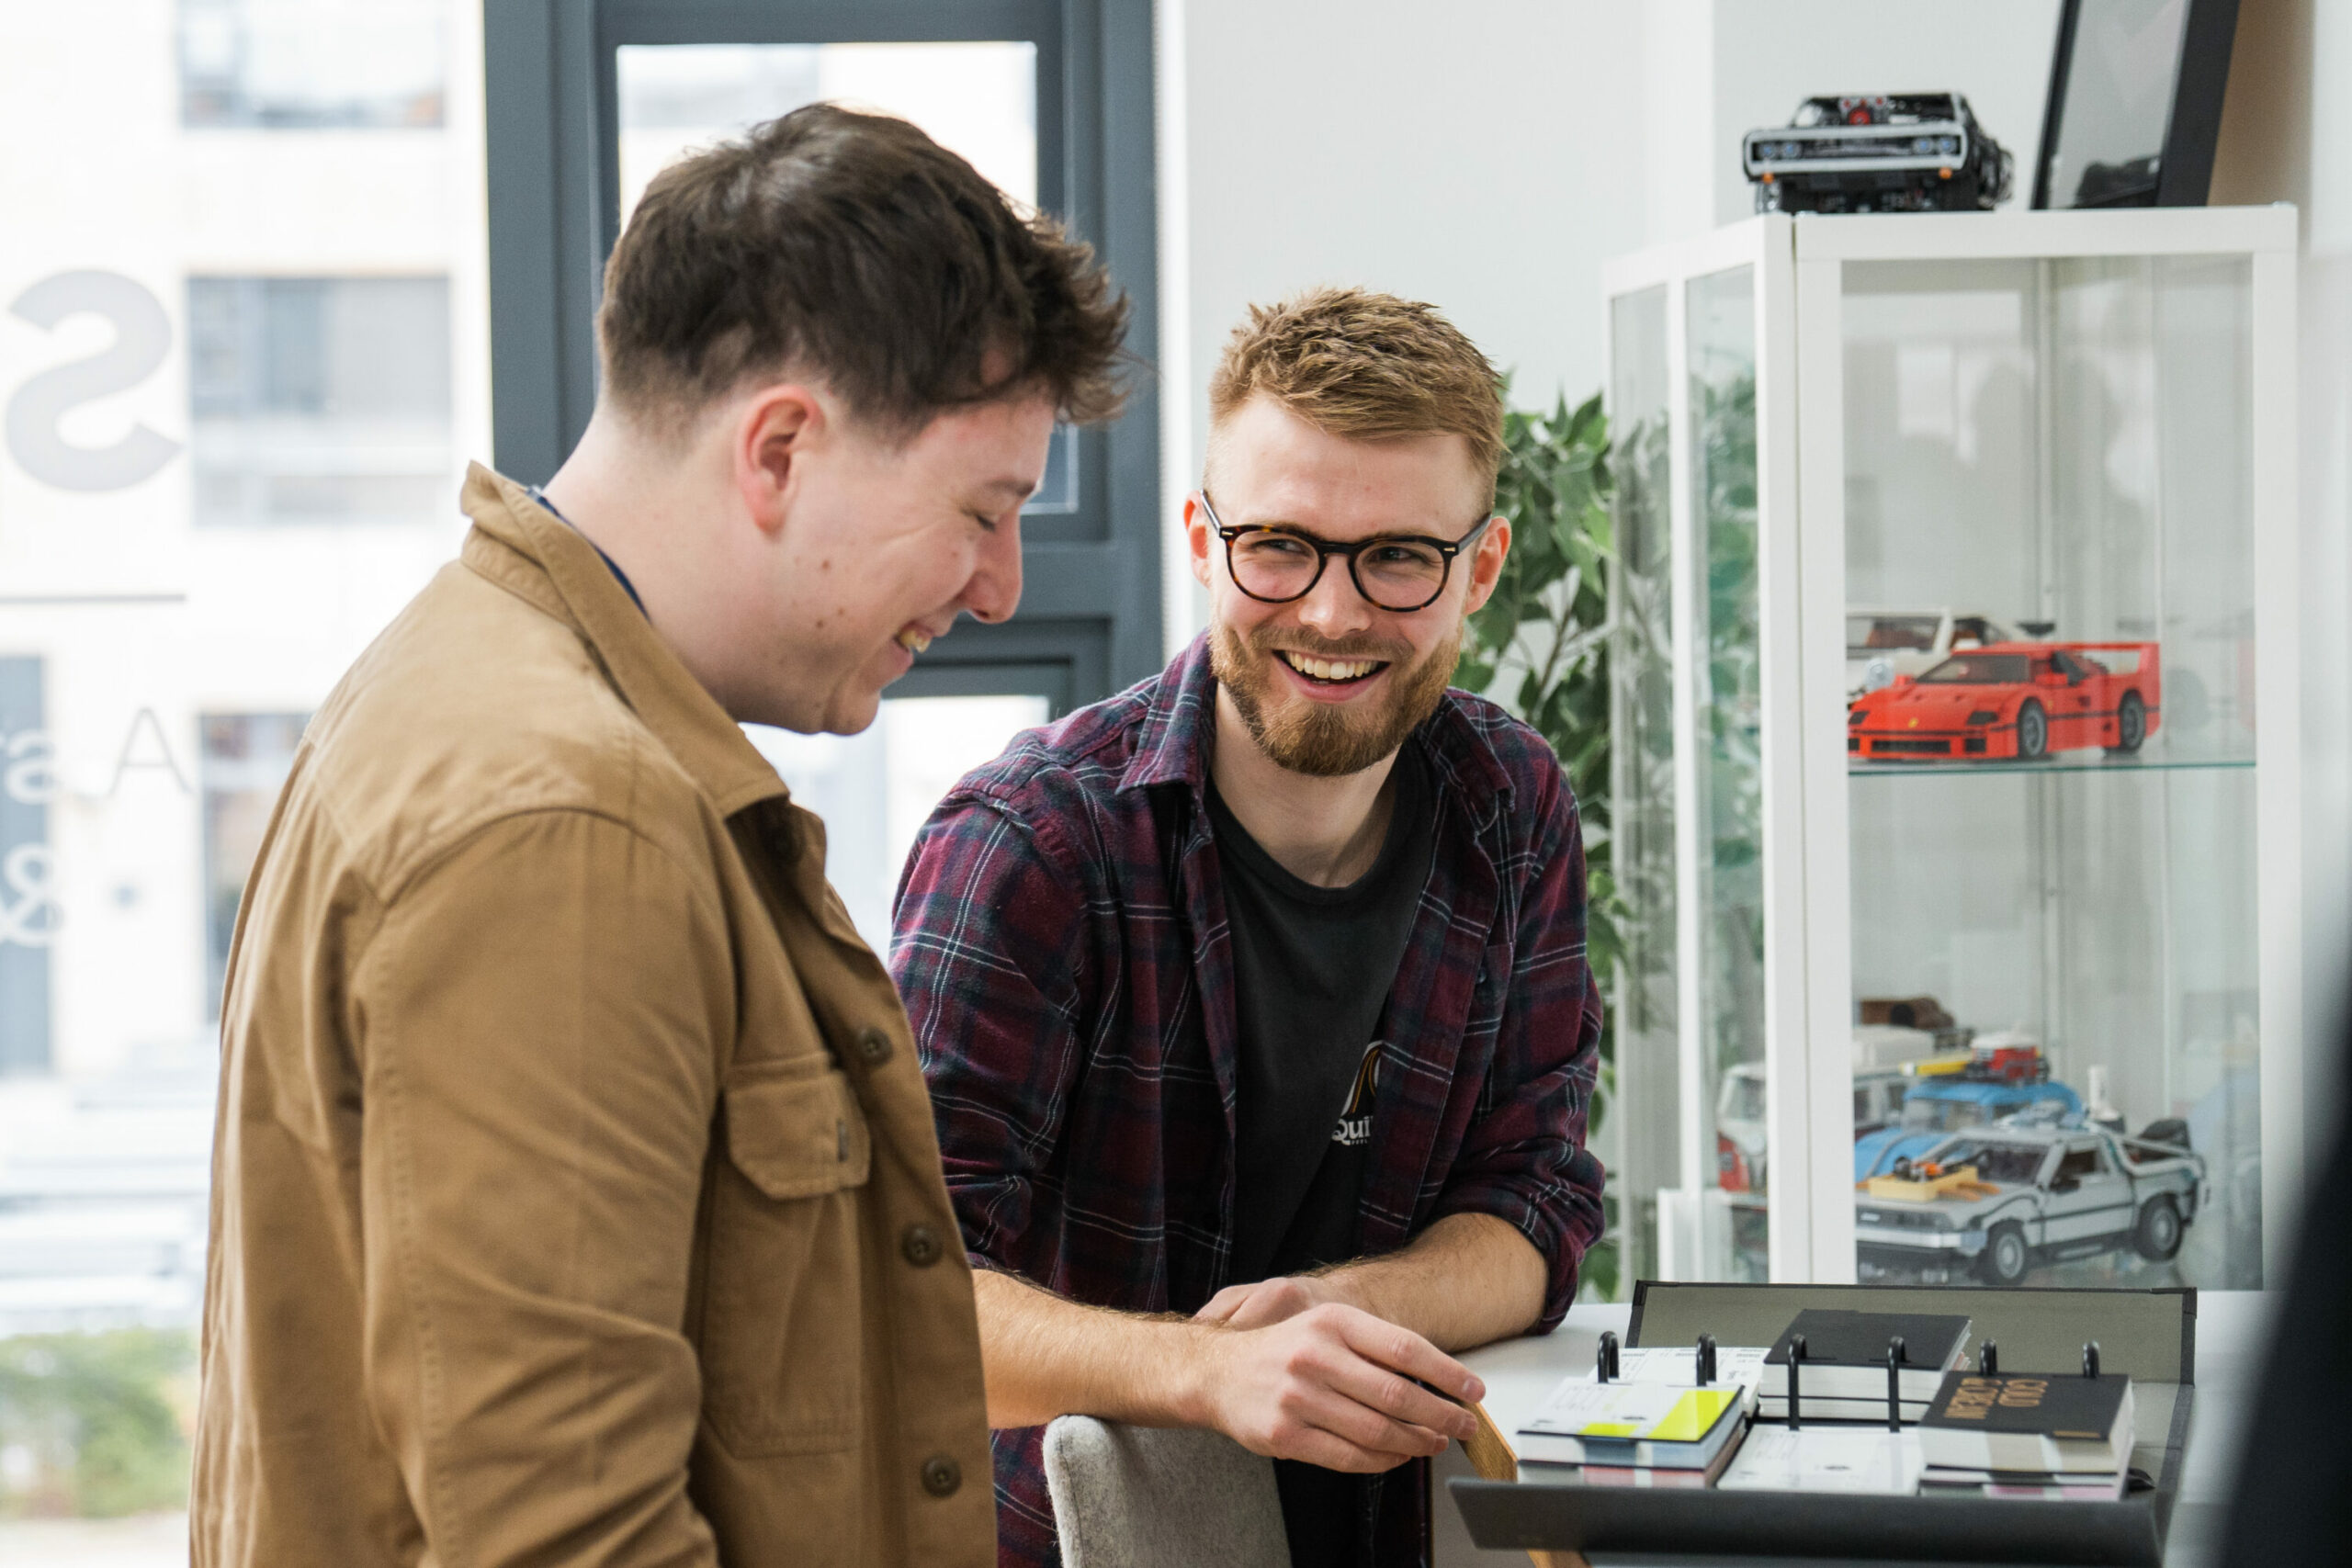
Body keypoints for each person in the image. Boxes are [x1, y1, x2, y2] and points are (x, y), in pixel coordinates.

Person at [192, 105, 1128, 1568]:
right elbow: (568, 1535)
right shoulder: (567, 819)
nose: (1000, 587)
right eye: (982, 508)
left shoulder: (479, 692)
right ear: (780, 450)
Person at [893, 288, 1607, 1568]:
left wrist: (1335, 1310)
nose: (1332, 615)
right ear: (1202, 541)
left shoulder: (1509, 803)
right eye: (1280, 545)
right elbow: (892, 1313)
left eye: (1399, 557)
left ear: (1481, 570)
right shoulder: (1030, 846)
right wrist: (1210, 1374)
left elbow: (1540, 1205)